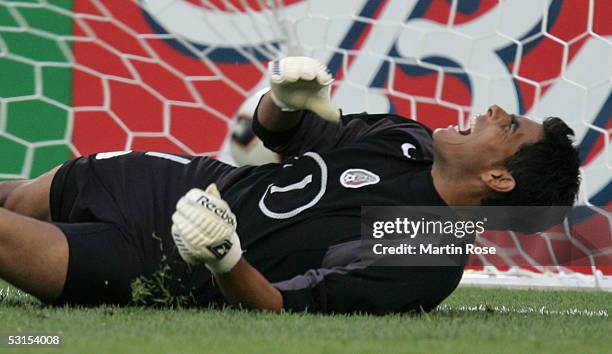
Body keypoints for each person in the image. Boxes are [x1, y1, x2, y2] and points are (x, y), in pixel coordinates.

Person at [0, 57, 580, 314]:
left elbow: (284, 306)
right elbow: (279, 132)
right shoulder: (404, 137)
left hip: (162, 268)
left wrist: (225, 258)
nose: (494, 109)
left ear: (499, 178)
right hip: (160, 180)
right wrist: (281, 101)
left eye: (505, 127)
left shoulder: (423, 251)